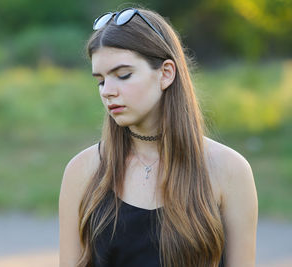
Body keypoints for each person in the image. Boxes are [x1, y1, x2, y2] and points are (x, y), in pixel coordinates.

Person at [59, 7, 258, 267]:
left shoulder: (229, 170)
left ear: (166, 73)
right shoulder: (83, 171)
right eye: (100, 80)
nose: (107, 91)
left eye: (123, 75)